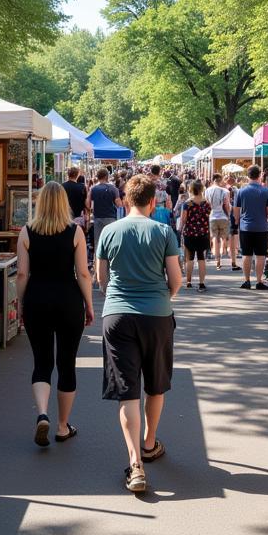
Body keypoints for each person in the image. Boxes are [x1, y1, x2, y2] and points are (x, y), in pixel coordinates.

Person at [95, 174, 181, 493]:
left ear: (126, 200)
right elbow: (176, 279)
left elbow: (101, 279)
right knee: (155, 384)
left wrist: (116, 297)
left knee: (127, 390)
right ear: (153, 201)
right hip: (156, 313)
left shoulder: (109, 232)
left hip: (117, 315)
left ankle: (135, 463)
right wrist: (163, 298)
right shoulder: (163, 231)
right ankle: (148, 442)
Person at [16, 182, 94, 447]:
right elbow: (83, 273)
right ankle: (62, 426)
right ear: (64, 203)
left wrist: (20, 302)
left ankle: (42, 413)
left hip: (37, 300)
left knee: (42, 362)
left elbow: (23, 274)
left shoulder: (27, 232)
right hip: (68, 301)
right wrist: (90, 305)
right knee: (66, 363)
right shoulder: (76, 231)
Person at [235, 164, 268, 290]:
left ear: (248, 176)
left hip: (245, 227)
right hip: (262, 227)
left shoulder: (241, 191)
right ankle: (259, 281)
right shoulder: (266, 191)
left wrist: (238, 221)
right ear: (259, 175)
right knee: (260, 255)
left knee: (246, 254)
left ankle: (246, 280)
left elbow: (236, 211)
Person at [180, 180, 211, 291]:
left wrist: (180, 229)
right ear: (202, 189)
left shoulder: (187, 203)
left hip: (190, 232)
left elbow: (183, 219)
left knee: (190, 258)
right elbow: (208, 216)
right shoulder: (206, 203)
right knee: (201, 258)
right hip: (203, 233)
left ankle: (188, 282)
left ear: (191, 189)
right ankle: (201, 283)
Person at [90, 167, 123, 253]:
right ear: (106, 176)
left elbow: (88, 204)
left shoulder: (93, 189)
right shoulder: (113, 188)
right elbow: (119, 204)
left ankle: (98, 263)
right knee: (111, 242)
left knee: (98, 242)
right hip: (110, 218)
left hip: (97, 218)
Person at [205, 175, 230, 269]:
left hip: (212, 216)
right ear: (220, 181)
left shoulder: (207, 190)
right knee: (224, 237)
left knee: (215, 238)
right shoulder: (224, 191)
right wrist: (228, 215)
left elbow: (206, 203)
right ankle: (223, 251)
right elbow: (226, 204)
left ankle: (217, 260)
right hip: (223, 216)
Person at [225, 174, 242, 271]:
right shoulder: (233, 190)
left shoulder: (225, 190)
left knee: (231, 238)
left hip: (226, 216)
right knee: (233, 238)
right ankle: (233, 261)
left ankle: (232, 259)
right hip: (232, 216)